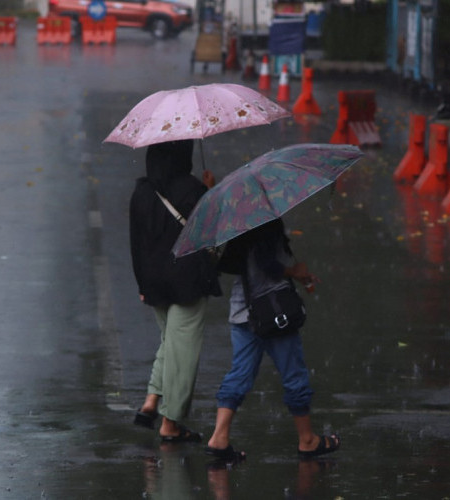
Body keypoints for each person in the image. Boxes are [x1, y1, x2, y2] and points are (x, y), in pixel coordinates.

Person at [205, 218, 340, 461]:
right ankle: (307, 439)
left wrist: (296, 274)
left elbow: (241, 264)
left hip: (243, 310)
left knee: (240, 373)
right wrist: (293, 272)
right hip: (273, 312)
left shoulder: (237, 223)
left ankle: (219, 437)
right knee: (294, 374)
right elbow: (266, 265)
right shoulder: (264, 220)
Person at [129, 139, 221, 442]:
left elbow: (136, 244)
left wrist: (142, 284)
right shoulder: (192, 189)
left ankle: (151, 401)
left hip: (155, 281)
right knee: (184, 351)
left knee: (171, 341)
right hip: (187, 279)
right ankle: (171, 422)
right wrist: (209, 191)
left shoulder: (141, 192)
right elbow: (211, 234)